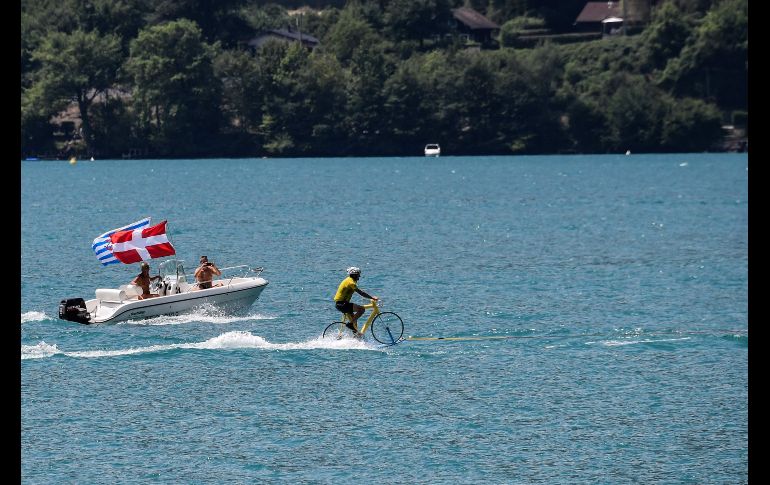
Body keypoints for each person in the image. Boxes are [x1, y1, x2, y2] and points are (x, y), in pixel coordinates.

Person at [333, 266, 377, 337]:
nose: (359, 276)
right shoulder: (351, 283)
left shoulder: (348, 280)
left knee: (354, 321)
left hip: (342, 304)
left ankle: (355, 337)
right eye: (358, 274)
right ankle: (350, 324)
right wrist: (372, 297)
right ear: (354, 275)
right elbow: (361, 293)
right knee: (361, 309)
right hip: (342, 304)